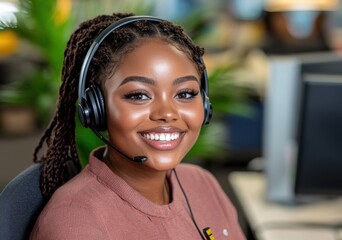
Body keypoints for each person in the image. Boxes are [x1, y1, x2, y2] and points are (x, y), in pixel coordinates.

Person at [30, 13, 245, 240]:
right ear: (96, 110)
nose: (167, 114)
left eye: (185, 93)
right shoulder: (75, 223)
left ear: (204, 104)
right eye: (139, 95)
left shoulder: (201, 183)